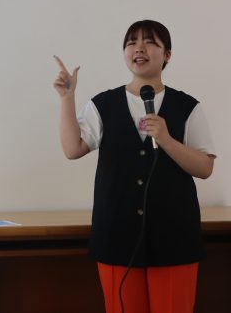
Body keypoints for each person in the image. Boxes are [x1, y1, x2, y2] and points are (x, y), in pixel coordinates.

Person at [53, 19, 216, 313]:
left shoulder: (188, 106)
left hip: (174, 235)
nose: (139, 48)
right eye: (132, 43)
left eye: (150, 42)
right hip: (116, 232)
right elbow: (72, 149)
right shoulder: (103, 104)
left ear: (167, 55)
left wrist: (166, 139)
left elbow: (205, 167)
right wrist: (67, 98)